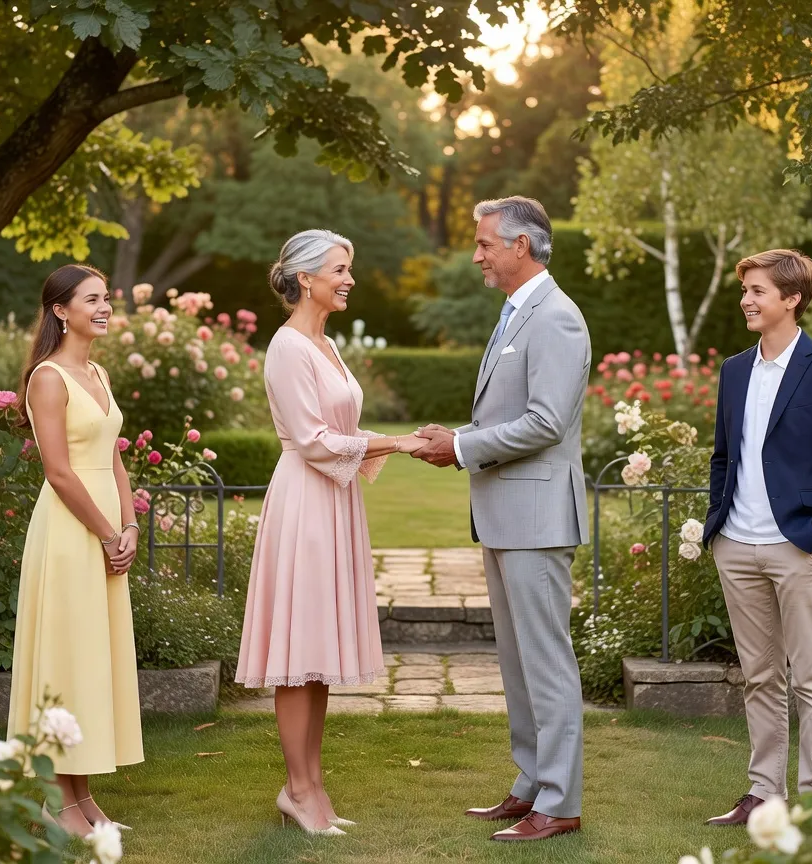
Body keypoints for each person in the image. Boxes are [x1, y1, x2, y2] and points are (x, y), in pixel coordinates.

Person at [235, 229, 426, 836]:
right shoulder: (288, 346)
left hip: (335, 502)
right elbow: (313, 440)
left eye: (349, 268)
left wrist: (385, 441)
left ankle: (312, 786)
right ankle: (297, 788)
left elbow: (338, 426)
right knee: (297, 653)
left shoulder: (327, 344)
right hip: (306, 503)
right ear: (306, 278)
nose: (349, 279)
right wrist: (397, 442)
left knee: (316, 650)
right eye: (340, 269)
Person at [413, 197, 590, 842]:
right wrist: (459, 436)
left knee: (545, 662)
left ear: (522, 245)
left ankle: (561, 801)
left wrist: (459, 449)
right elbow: (505, 418)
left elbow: (545, 422)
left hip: (538, 517)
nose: (477, 255)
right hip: (506, 514)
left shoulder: (557, 318)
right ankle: (530, 783)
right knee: (517, 664)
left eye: (486, 243)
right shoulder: (519, 313)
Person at [701, 249, 812, 825]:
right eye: (744, 290)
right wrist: (717, 529)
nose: (746, 299)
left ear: (791, 299)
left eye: (756, 291)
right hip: (737, 547)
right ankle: (764, 794)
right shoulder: (733, 370)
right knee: (760, 676)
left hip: (800, 549)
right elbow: (724, 457)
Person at [7, 263, 143, 838]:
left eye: (106, 298)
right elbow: (60, 472)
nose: (105, 307)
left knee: (92, 658)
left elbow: (111, 455)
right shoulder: (49, 378)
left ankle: (84, 798)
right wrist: (107, 532)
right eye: (93, 299)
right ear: (61, 310)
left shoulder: (97, 372)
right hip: (69, 533)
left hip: (107, 525)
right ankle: (55, 803)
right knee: (65, 659)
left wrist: (131, 521)